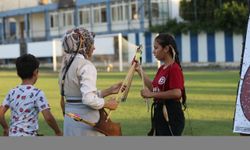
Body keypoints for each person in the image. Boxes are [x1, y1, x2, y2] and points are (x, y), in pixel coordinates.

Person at [59, 27, 122, 136]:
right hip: (85, 123)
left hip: (70, 123)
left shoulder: (65, 65)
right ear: (83, 45)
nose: (94, 47)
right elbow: (88, 99)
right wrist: (107, 104)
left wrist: (108, 91)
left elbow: (76, 97)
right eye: (91, 43)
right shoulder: (86, 65)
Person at [136, 33, 186, 136]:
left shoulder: (174, 68)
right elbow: (154, 88)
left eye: (156, 48)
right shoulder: (162, 69)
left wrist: (151, 95)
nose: (153, 51)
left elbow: (177, 93)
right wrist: (139, 70)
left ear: (166, 49)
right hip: (160, 113)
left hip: (171, 114)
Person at [0, 54, 62, 136]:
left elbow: (0, 113)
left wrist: (6, 128)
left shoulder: (12, 92)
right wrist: (58, 131)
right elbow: (48, 117)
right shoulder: (37, 93)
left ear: (18, 73)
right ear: (35, 72)